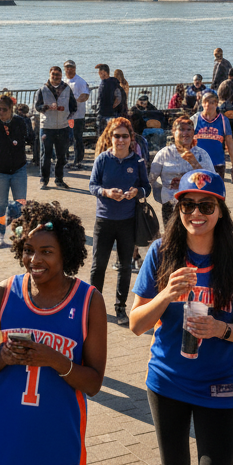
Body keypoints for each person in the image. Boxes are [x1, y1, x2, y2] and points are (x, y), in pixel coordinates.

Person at [130, 169, 233, 465]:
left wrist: (220, 329)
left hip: (218, 384)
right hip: (167, 380)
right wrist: (165, 295)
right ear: (178, 209)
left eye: (206, 205)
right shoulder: (161, 252)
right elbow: (136, 324)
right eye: (188, 205)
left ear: (221, 209)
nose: (196, 213)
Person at [0, 201, 107, 465]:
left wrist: (54, 359)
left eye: (47, 252)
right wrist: (3, 357)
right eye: (29, 250)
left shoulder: (89, 300)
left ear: (65, 253)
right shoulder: (5, 292)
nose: (35, 260)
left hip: (56, 434)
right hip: (3, 429)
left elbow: (93, 384)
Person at [88, 117, 150, 326]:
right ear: (110, 137)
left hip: (127, 220)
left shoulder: (137, 161)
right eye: (117, 136)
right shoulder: (103, 160)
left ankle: (120, 307)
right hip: (104, 220)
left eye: (125, 136)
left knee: (125, 266)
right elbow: (92, 185)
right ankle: (92, 307)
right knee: (99, 265)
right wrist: (105, 192)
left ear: (131, 138)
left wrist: (136, 192)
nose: (120, 140)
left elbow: (146, 187)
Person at [0, 94, 32, 248]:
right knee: (0, 203)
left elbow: (28, 137)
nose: (0, 112)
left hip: (18, 168)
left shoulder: (20, 122)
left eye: (3, 109)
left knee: (20, 202)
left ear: (11, 109)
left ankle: (19, 234)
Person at [150, 117, 209, 224]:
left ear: (193, 132)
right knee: (172, 238)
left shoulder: (201, 154)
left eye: (189, 129)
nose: (185, 133)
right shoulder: (164, 154)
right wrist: (164, 194)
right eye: (181, 129)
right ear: (173, 132)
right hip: (170, 205)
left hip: (195, 206)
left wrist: (195, 163)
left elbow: (211, 180)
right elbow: (151, 179)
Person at [34, 65, 77, 190]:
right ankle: (44, 179)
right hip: (47, 126)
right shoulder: (42, 90)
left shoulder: (67, 89)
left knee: (61, 156)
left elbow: (73, 106)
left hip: (63, 126)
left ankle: (59, 179)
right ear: (49, 75)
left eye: (58, 75)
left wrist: (66, 116)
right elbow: (37, 107)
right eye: (53, 74)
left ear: (61, 75)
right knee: (45, 155)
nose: (56, 77)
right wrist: (46, 107)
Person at [192, 91, 233, 181]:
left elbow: (229, 142)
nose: (208, 105)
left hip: (217, 163)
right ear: (202, 103)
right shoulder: (195, 119)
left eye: (211, 102)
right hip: (198, 163)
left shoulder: (223, 120)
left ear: (216, 104)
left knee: (216, 193)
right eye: (205, 102)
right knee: (199, 192)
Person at [62, 60, 91, 170]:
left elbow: (86, 95)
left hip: (77, 116)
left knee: (76, 138)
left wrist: (75, 102)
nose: (69, 69)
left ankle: (78, 160)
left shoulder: (80, 81)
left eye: (71, 67)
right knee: (65, 137)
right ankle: (65, 158)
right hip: (65, 116)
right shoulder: (63, 81)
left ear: (75, 68)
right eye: (67, 67)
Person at [94, 64, 124, 135]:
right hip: (102, 112)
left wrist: (111, 107)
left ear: (104, 72)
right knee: (102, 134)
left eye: (99, 72)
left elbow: (118, 98)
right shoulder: (105, 82)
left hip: (108, 114)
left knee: (108, 134)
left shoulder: (112, 83)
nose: (99, 74)